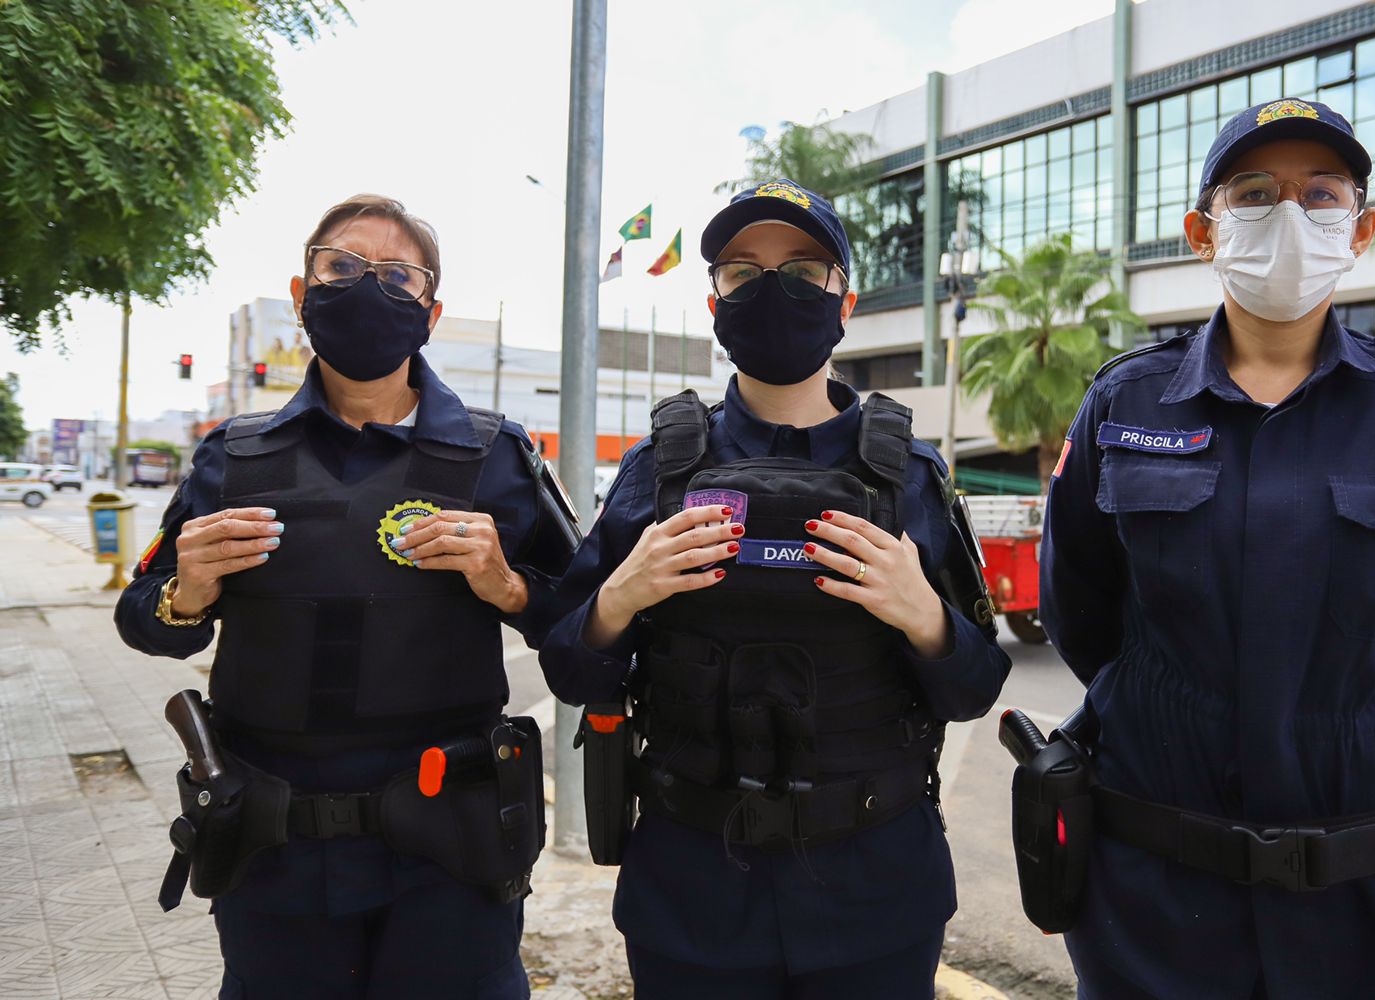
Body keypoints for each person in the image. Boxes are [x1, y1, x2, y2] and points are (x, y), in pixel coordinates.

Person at [1040, 99, 1375, 999]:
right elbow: (1080, 611)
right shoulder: (1125, 406)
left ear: (1360, 228)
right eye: (1254, 193)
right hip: (1160, 912)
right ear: (1202, 232)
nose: (1290, 215)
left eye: (1321, 195)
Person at [539, 179, 1011, 998]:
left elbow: (976, 689)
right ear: (715, 300)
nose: (770, 290)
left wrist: (925, 617)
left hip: (874, 894)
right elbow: (570, 672)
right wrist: (620, 598)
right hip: (692, 895)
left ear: (845, 300)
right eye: (742, 272)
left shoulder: (910, 476)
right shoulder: (660, 469)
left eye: (802, 270)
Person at [115, 194, 577, 999]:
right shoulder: (233, 458)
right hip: (273, 848)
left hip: (451, 849)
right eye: (341, 267)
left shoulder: (496, 456)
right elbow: (145, 620)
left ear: (430, 311)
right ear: (303, 295)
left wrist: (505, 585)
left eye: (398, 276)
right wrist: (186, 593)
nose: (369, 287)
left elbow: (580, 620)